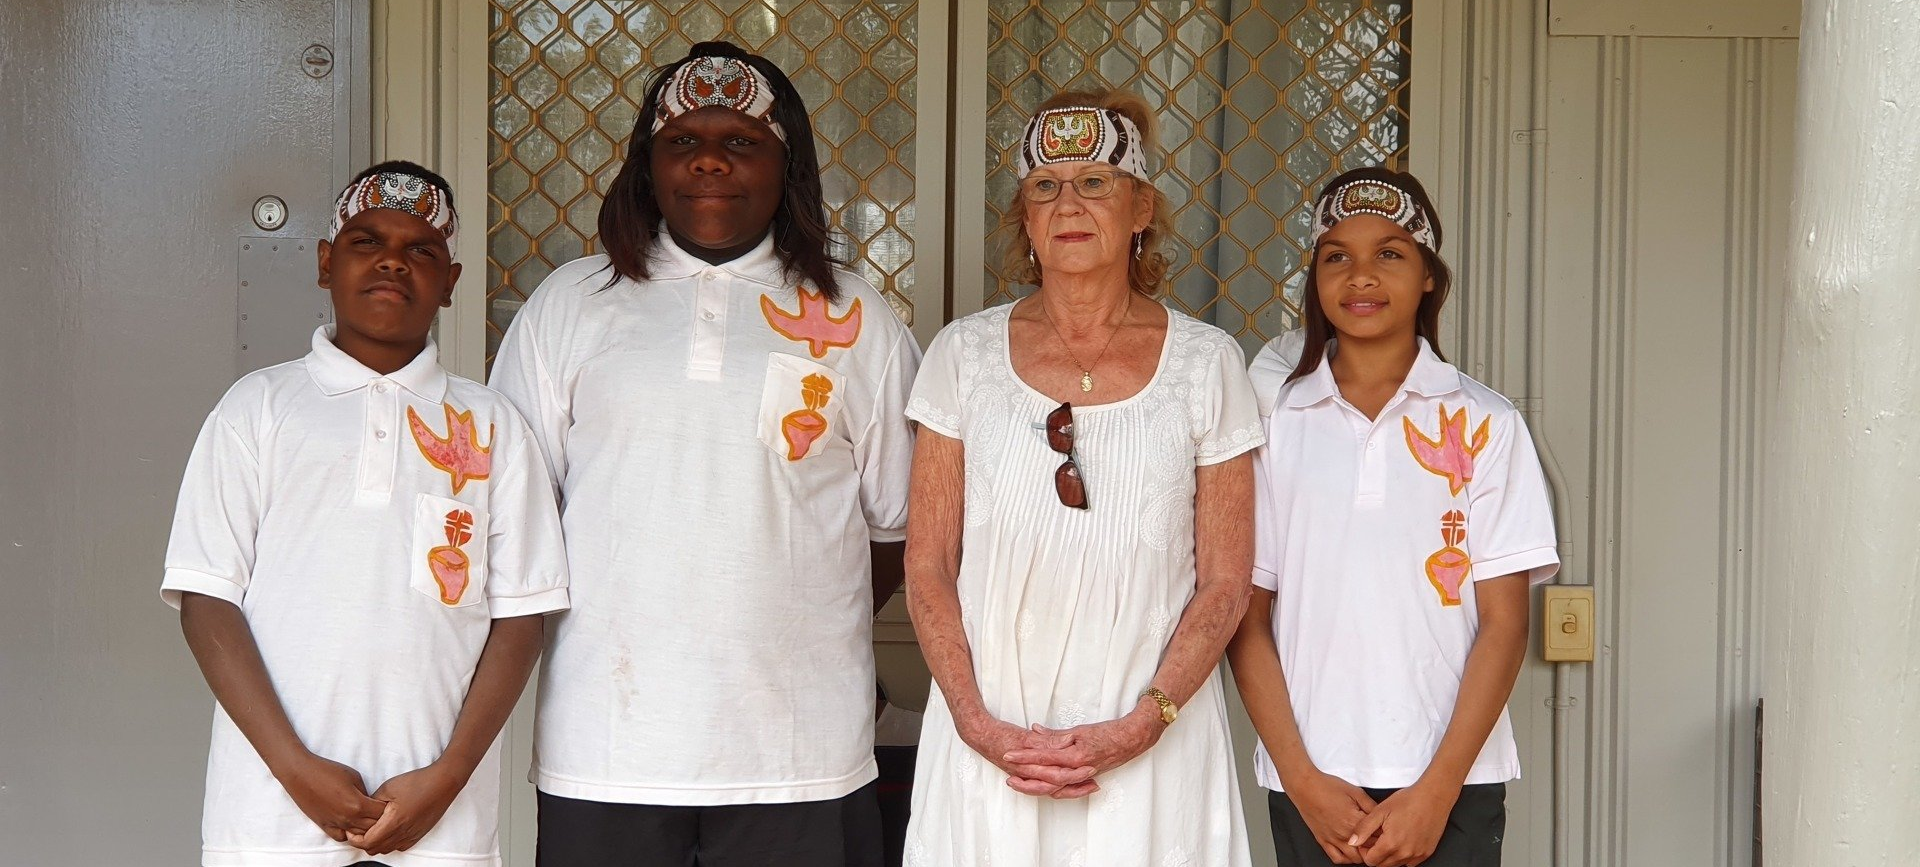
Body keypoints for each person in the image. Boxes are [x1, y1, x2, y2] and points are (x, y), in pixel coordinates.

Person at [488, 41, 919, 866]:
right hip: (608, 747)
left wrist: (788, 620)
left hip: (799, 755)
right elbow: (516, 519)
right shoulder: (571, 306)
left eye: (743, 142)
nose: (711, 162)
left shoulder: (854, 317)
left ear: (785, 166)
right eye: (683, 141)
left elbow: (897, 528)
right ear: (646, 166)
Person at [163, 160, 569, 867]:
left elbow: (521, 617)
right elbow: (205, 598)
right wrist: (295, 770)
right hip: (269, 814)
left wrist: (448, 779)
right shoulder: (256, 410)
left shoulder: (493, 426)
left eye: (422, 251)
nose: (393, 261)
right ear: (325, 264)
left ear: (451, 281)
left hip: (440, 821)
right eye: (367, 241)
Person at [902, 88, 1261, 866]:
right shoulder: (961, 357)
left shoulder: (1208, 363)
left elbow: (1226, 583)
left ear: (1141, 210)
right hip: (994, 736)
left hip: (1153, 741)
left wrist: (1143, 722)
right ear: (1025, 220)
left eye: (1096, 181)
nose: (1069, 203)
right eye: (1045, 187)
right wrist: (976, 722)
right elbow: (926, 563)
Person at [1227, 166, 1561, 867]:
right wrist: (1302, 778)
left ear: (1429, 276)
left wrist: (1436, 792)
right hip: (1314, 780)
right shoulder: (1273, 423)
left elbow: (1505, 623)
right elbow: (1246, 617)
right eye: (1336, 256)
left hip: (1454, 783)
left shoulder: (1485, 423)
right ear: (1315, 279)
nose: (1361, 275)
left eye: (1390, 253)